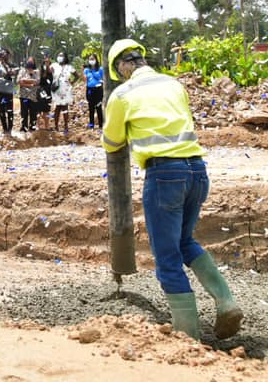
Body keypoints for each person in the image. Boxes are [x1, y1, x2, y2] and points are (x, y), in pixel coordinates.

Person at [102, 39, 243, 340]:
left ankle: (187, 336)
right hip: (197, 171)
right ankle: (226, 301)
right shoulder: (173, 84)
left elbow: (111, 142)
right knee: (184, 242)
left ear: (121, 67)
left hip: (164, 174)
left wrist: (124, 128)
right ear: (141, 58)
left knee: (166, 258)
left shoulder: (122, 94)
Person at [50, 51, 79, 132]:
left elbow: (77, 76)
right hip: (57, 89)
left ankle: (66, 126)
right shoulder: (54, 65)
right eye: (59, 55)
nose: (60, 57)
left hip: (65, 89)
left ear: (65, 57)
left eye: (61, 55)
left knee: (65, 107)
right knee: (57, 108)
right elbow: (48, 72)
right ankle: (56, 126)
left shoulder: (69, 67)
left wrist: (72, 82)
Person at [0, 49, 16, 137]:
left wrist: (4, 65)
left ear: (8, 55)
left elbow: (12, 73)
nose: (3, 55)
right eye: (1, 53)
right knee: (1, 110)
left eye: (4, 53)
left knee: (9, 110)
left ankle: (9, 129)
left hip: (8, 90)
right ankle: (4, 128)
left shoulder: (11, 64)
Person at [16, 57, 41, 131]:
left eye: (31, 62)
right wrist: (30, 84)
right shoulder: (22, 71)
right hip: (24, 96)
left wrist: (25, 81)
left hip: (33, 96)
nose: (30, 64)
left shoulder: (37, 72)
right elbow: (19, 81)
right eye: (29, 62)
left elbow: (37, 82)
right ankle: (24, 128)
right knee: (24, 113)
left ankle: (32, 128)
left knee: (33, 113)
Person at [84, 53, 105, 129]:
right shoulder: (86, 70)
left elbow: (102, 78)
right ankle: (91, 125)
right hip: (89, 90)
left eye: (93, 59)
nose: (91, 60)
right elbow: (85, 80)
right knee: (91, 107)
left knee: (98, 107)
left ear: (96, 60)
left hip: (98, 90)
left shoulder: (100, 69)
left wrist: (94, 72)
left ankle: (101, 126)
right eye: (90, 59)